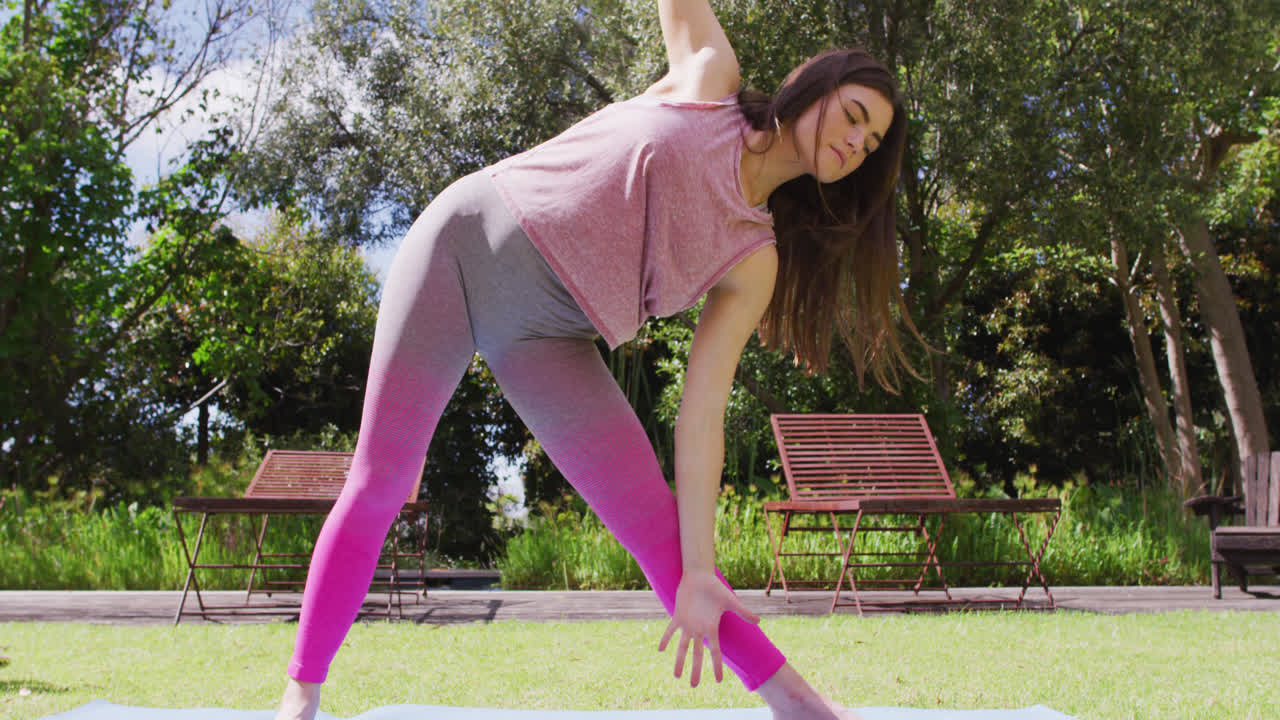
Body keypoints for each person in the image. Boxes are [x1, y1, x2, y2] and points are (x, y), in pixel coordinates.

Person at [274, 1, 909, 719]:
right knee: (381, 480)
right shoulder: (710, 78)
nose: (857, 143)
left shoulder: (753, 260)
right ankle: (301, 695)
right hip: (463, 242)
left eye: (871, 142)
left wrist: (702, 569)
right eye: (854, 116)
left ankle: (799, 705)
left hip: (548, 339)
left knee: (665, 537)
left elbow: (701, 419)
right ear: (814, 83)